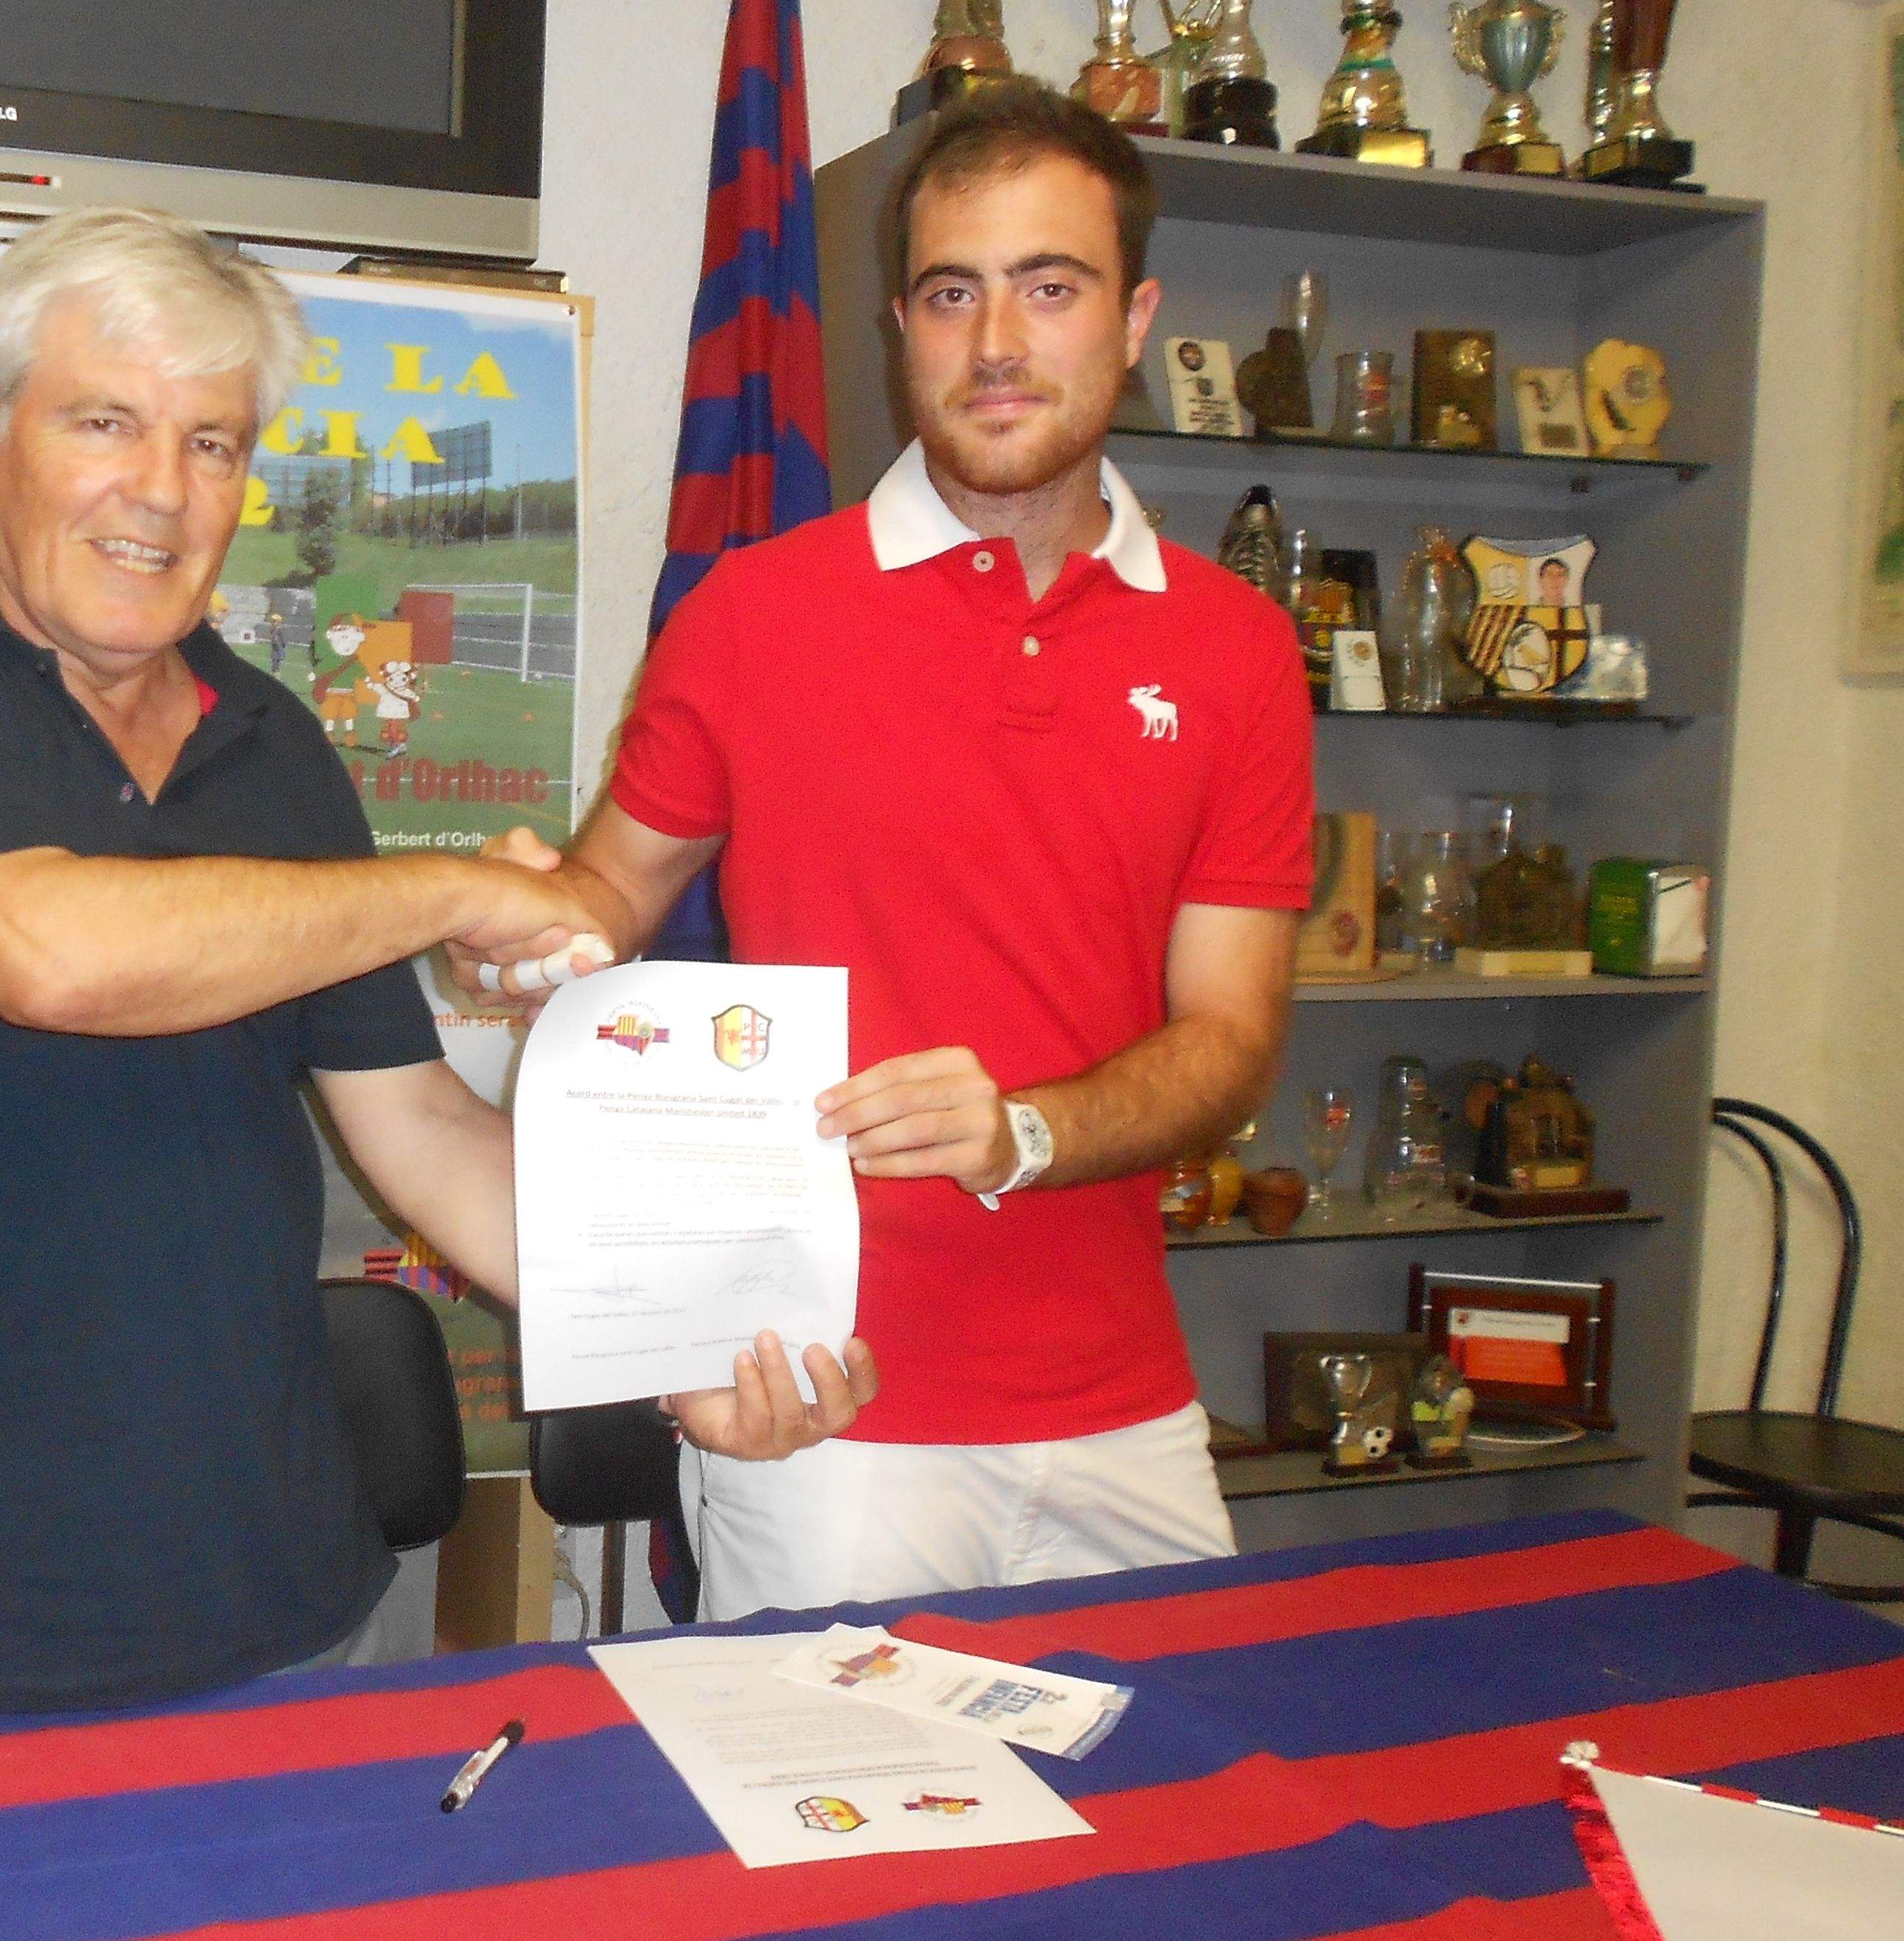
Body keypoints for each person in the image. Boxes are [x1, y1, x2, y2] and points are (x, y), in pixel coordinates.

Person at [0, 206, 873, 1739]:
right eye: (105, 423)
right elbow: (52, 954)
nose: (162, 493)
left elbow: (426, 1136)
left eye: (212, 444)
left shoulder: (272, 745)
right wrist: (453, 887)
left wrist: (693, 1347)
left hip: (280, 1625)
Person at [464, 84, 1313, 1619]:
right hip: (824, 1414)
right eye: (950, 293)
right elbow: (606, 902)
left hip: (1128, 1412)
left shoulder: (1241, 651)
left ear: (1134, 320)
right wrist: (510, 914)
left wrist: (1027, 1132)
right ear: (898, 325)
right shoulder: (752, 614)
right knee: (838, 1855)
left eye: (1050, 288)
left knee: (1179, 1829)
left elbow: (1234, 1043)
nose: (996, 344)